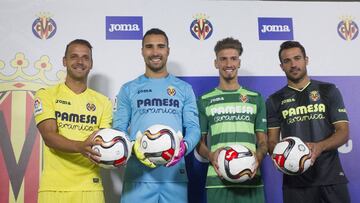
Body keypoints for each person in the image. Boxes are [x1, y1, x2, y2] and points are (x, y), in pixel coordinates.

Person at [113, 28, 200, 203]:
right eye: (149, 47)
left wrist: (183, 147)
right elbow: (118, 130)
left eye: (160, 46)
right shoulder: (128, 89)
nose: (155, 52)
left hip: (174, 178)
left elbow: (193, 128)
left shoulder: (184, 89)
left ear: (168, 50)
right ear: (142, 51)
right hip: (138, 177)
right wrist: (131, 146)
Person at [266, 40, 350, 203]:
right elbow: (271, 141)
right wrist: (279, 155)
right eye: (287, 61)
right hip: (296, 185)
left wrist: (319, 147)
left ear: (306, 60)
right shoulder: (274, 100)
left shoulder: (328, 90)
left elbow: (343, 132)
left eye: (297, 58)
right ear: (281, 66)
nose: (293, 64)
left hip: (331, 179)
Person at [34, 39, 113, 203]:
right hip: (54, 188)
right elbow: (49, 136)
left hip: (90, 188)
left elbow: (104, 143)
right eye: (74, 56)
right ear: (64, 61)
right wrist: (80, 146)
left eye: (85, 57)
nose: (79, 62)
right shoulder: (46, 95)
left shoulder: (104, 102)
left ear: (91, 63)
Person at [197, 37, 268, 203]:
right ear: (216, 63)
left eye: (233, 58)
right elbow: (198, 144)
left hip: (251, 179)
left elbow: (263, 142)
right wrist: (210, 154)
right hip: (218, 180)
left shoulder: (255, 98)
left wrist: (258, 156)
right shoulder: (205, 100)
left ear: (239, 62)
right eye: (223, 59)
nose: (229, 64)